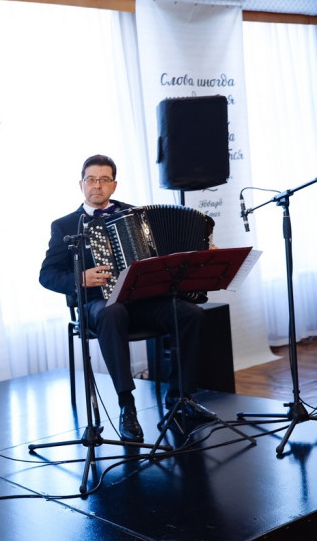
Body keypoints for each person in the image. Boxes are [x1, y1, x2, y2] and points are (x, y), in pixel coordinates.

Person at [38, 154, 207, 442]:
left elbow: (163, 255)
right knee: (111, 311)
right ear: (81, 184)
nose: (97, 185)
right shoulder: (65, 225)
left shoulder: (137, 215)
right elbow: (47, 275)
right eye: (91, 179)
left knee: (190, 313)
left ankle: (181, 397)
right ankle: (127, 405)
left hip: (141, 302)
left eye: (104, 179)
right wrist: (80, 278)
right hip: (96, 304)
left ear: (114, 185)